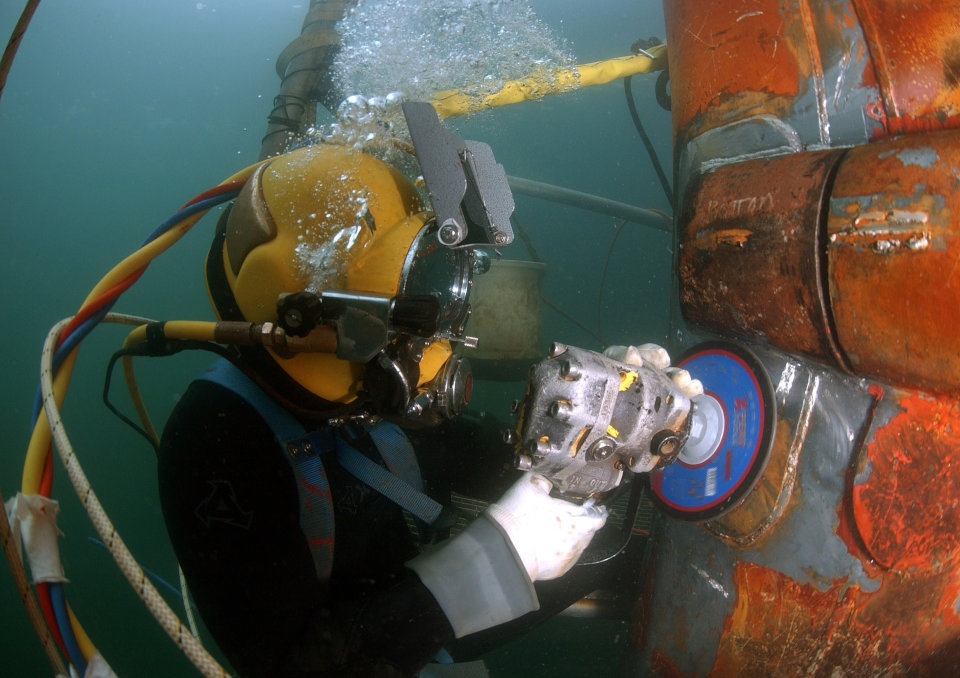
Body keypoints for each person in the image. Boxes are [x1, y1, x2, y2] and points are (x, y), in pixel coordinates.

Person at [157, 110, 697, 677]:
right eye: (412, 310)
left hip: (432, 641)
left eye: (442, 287)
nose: (436, 345)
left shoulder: (365, 385)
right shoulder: (213, 443)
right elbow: (293, 666)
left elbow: (483, 463)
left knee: (647, 557)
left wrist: (594, 433)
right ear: (308, 321)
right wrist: (480, 567)